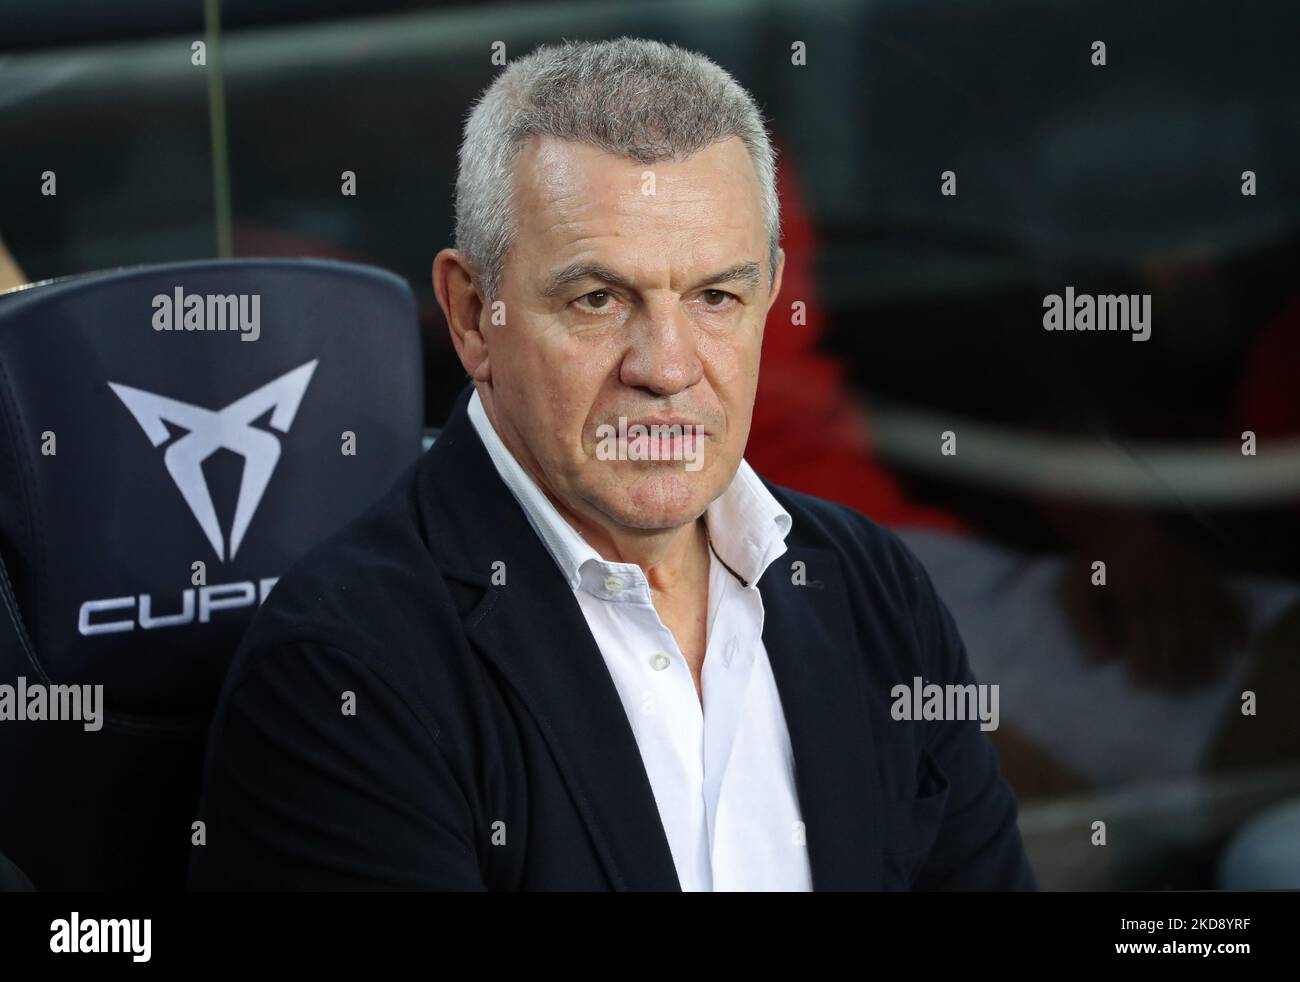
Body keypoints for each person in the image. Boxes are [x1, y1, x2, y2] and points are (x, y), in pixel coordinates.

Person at [188, 37, 1035, 891]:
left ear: (772, 295)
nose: (667, 366)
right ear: (476, 315)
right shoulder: (344, 672)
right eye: (598, 300)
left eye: (716, 298)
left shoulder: (871, 588)